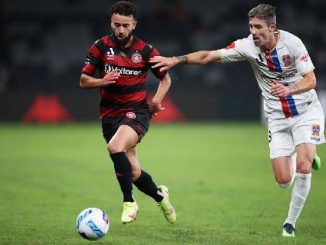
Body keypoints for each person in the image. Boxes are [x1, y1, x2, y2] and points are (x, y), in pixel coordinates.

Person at [150, 3, 324, 237]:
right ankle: (304, 154)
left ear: (272, 28)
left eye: (258, 27)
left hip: (305, 111)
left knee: (304, 167)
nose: (253, 31)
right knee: (283, 180)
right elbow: (208, 56)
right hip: (277, 118)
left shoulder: (293, 43)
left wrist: (289, 90)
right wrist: (175, 60)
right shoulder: (246, 47)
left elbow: (311, 80)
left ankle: (289, 224)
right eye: (250, 26)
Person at [80, 0, 176, 224]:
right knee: (132, 172)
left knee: (114, 147)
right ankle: (161, 196)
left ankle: (128, 201)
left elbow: (166, 79)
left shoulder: (145, 50)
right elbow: (84, 80)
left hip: (137, 112)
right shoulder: (100, 47)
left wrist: (156, 101)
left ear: (134, 24)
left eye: (125, 25)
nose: (120, 30)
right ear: (111, 23)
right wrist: (101, 81)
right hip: (110, 115)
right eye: (116, 25)